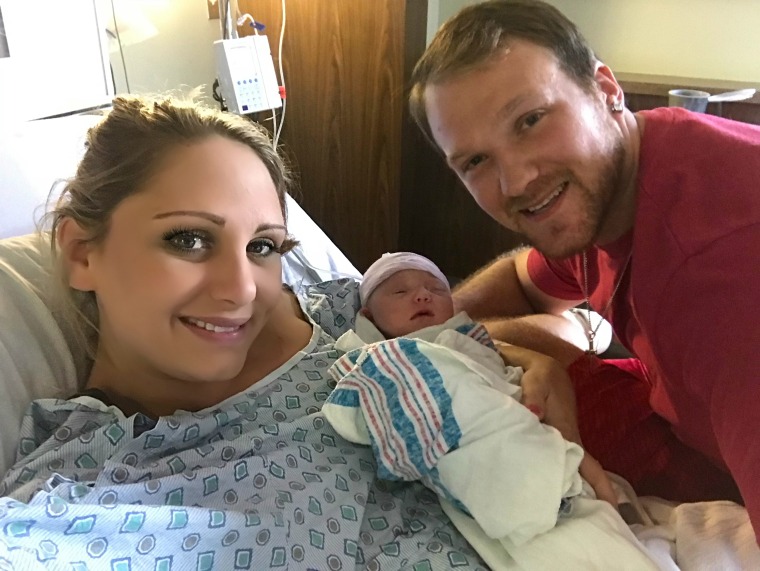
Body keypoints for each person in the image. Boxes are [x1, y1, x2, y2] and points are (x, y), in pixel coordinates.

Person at [0, 95, 491, 569]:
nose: (242, 290)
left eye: (262, 246)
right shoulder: (82, 496)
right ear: (82, 253)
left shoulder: (340, 312)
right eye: (189, 239)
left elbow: (464, 333)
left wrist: (528, 358)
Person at [409, 0, 757, 540]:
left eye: (530, 121)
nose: (517, 182)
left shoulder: (720, 279)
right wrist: (451, 335)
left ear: (606, 90)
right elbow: (524, 287)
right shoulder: (609, 188)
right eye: (476, 162)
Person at [322, 252, 660, 570]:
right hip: (515, 464)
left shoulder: (474, 340)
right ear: (367, 316)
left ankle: (586, 328)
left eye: (436, 289)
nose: (423, 295)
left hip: (551, 434)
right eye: (400, 291)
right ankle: (586, 328)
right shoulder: (384, 360)